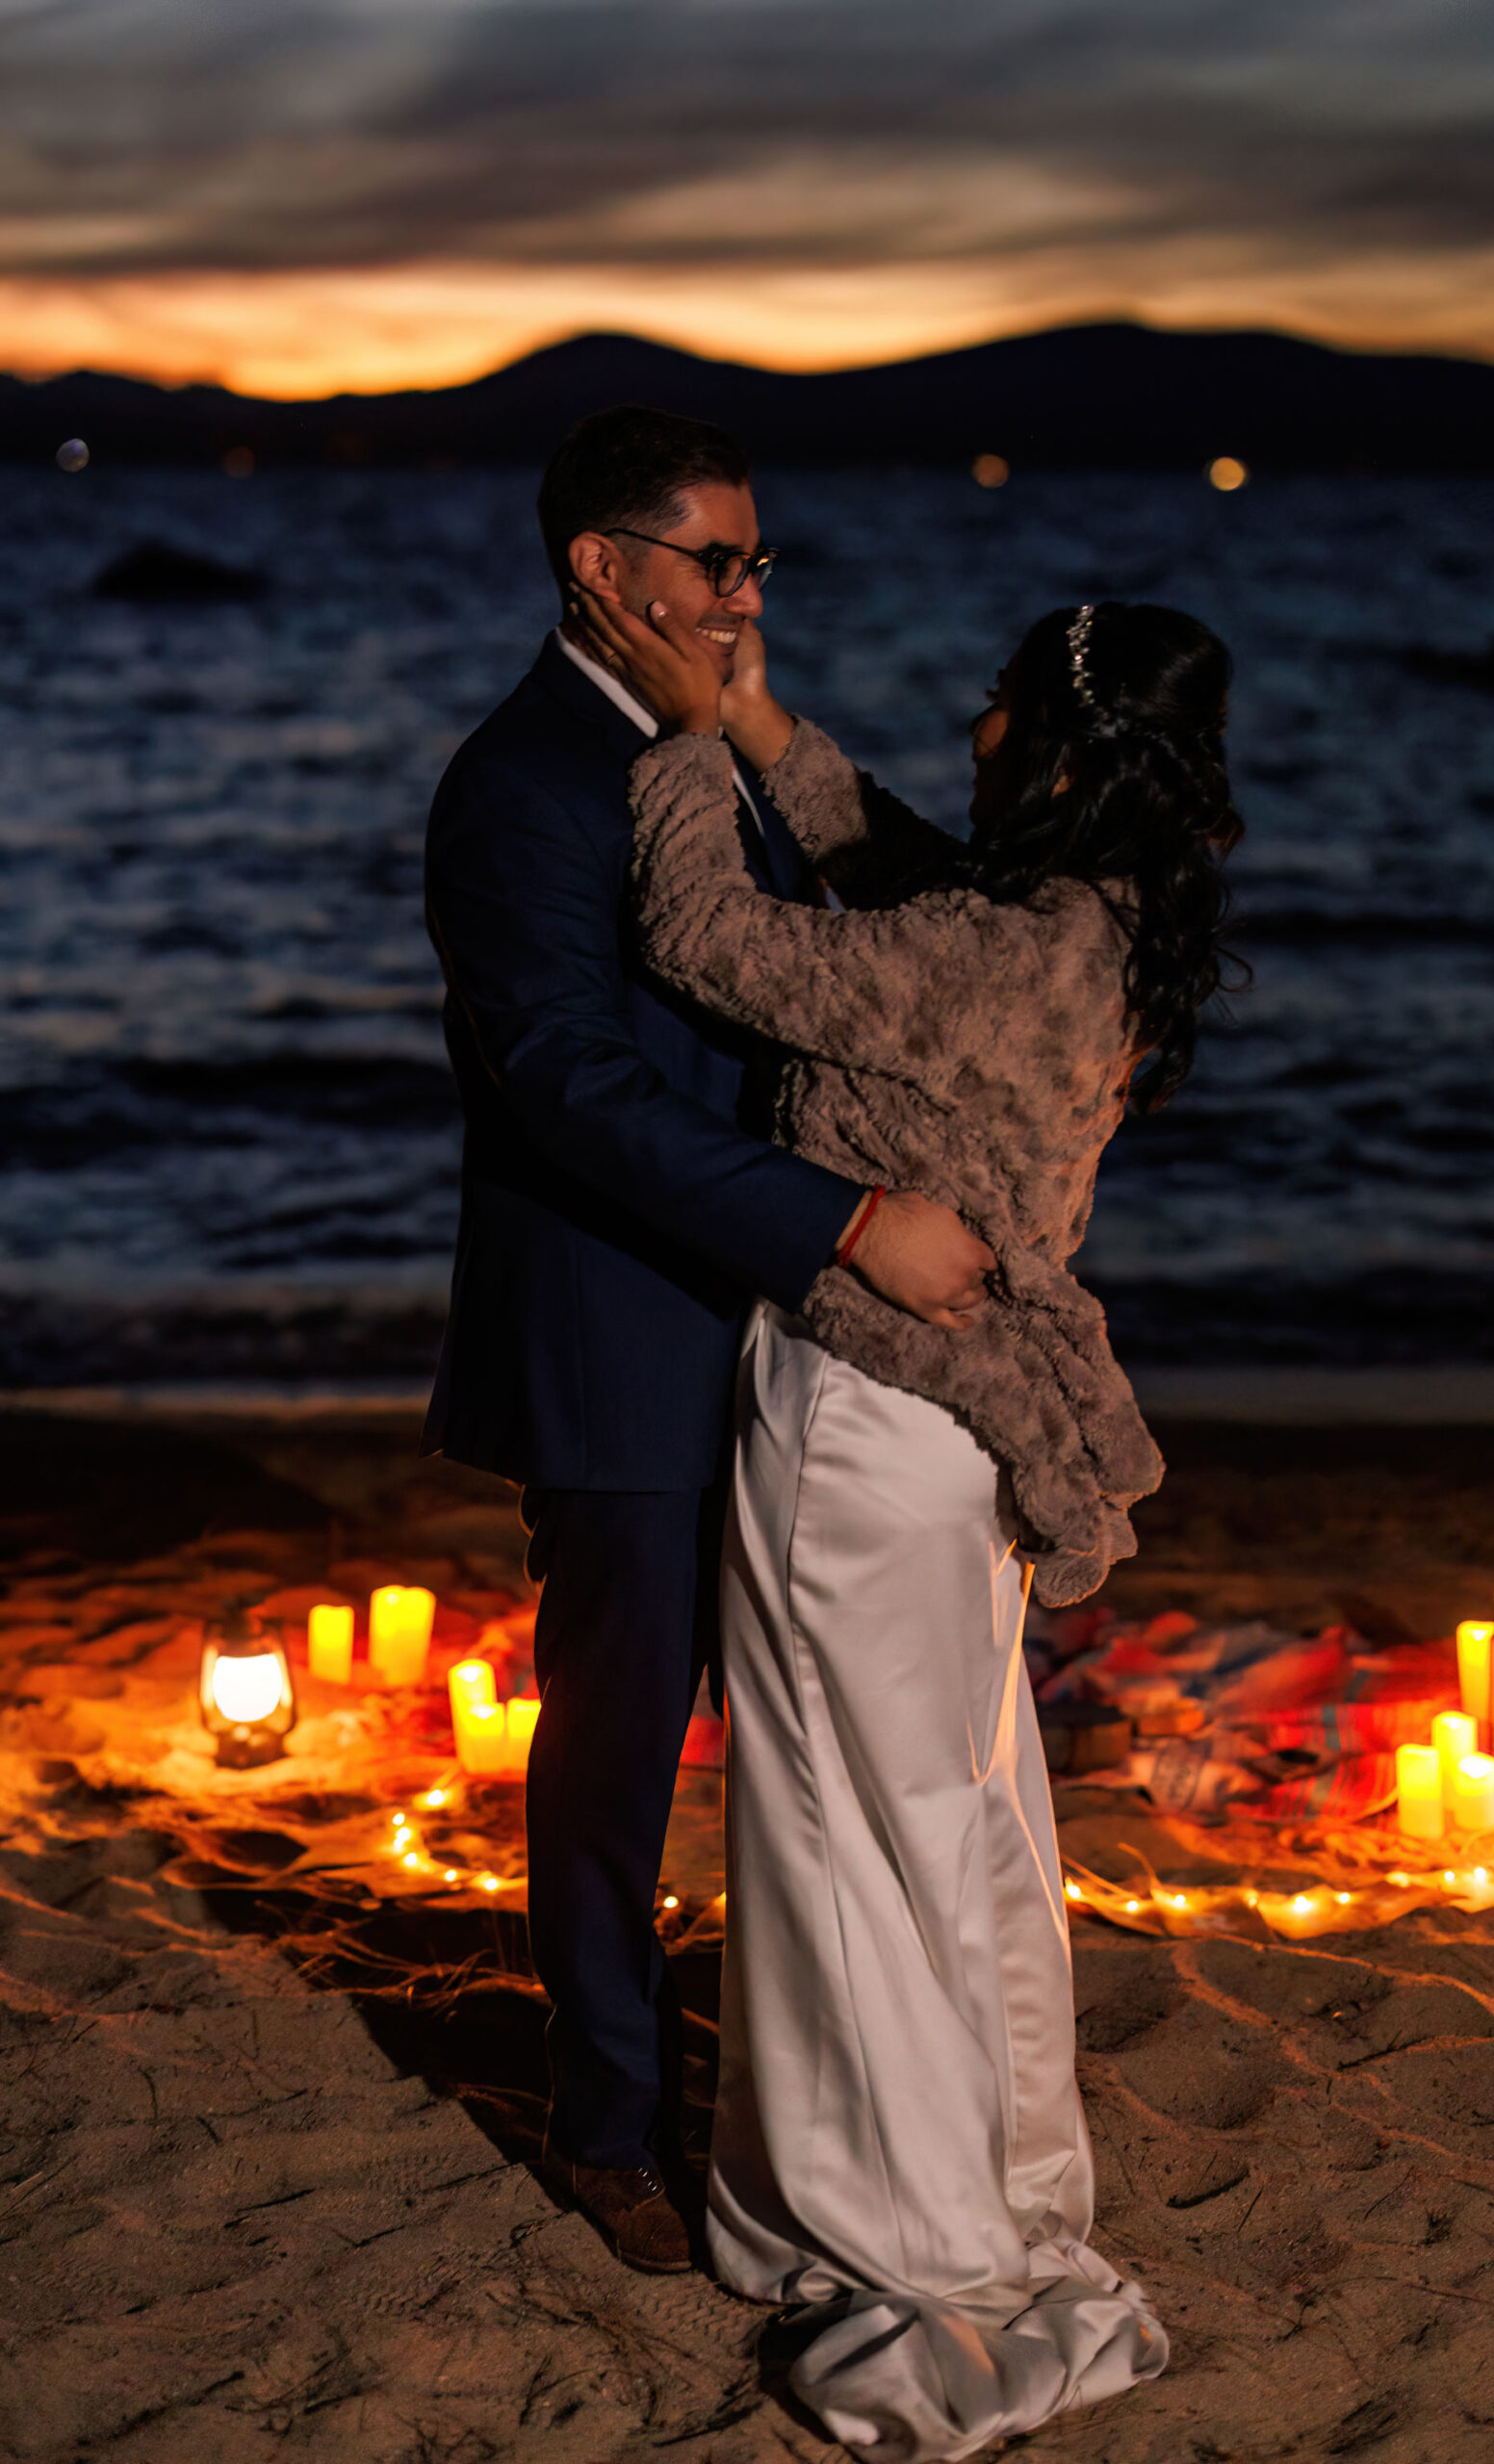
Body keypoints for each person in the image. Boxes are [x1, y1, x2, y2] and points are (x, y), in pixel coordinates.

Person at [573, 582, 1243, 2458]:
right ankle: (1005, 2192)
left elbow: (710, 937)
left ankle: (919, 2243)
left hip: (867, 1423)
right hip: (958, 1451)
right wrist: (771, 722)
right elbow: (898, 864)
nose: (969, 729)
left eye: (995, 705)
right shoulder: (1082, 926)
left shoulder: (987, 954)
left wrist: (682, 720)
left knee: (843, 1835)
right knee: (956, 1821)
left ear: (1055, 743)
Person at [422, 407, 995, 2275]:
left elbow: (905, 929)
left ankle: (797, 2103)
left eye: (756, 561)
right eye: (717, 561)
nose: (748, 593)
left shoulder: (710, 754)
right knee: (615, 1744)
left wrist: (756, 727)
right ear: (603, 567)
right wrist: (838, 1220)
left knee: (798, 1743)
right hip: (620, 1334)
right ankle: (604, 2117)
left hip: (776, 1330)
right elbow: (570, 1085)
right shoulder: (521, 783)